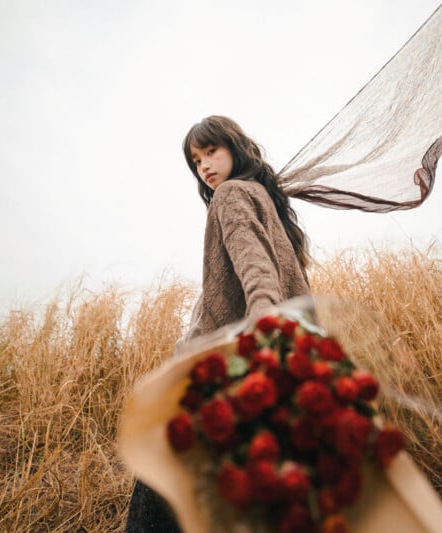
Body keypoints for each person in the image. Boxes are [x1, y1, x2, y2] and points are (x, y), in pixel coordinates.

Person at [125, 115, 311, 532]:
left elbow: (256, 270)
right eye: (195, 160)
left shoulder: (229, 195)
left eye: (212, 151)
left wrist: (264, 323)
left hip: (225, 363)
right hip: (270, 361)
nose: (204, 166)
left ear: (235, 148)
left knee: (161, 482)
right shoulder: (266, 200)